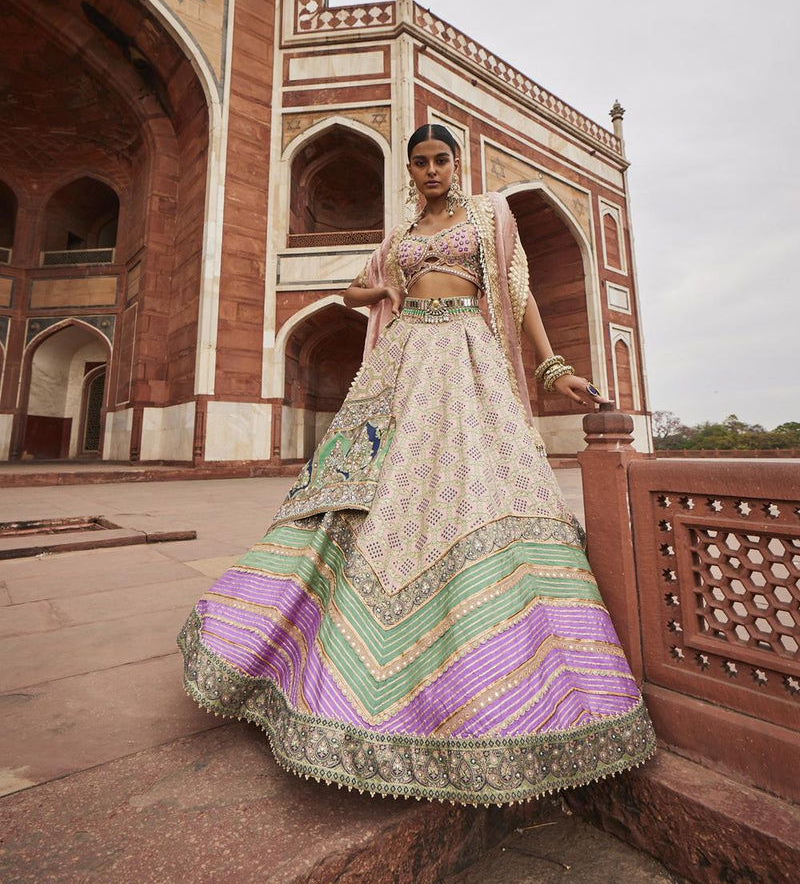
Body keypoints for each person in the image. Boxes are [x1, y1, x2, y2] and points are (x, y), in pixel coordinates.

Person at [178, 123, 656, 805]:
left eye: (441, 159)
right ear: (409, 172)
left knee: (472, 489)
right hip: (403, 361)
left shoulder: (490, 215)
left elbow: (517, 297)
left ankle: (496, 676)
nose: (432, 170)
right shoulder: (397, 242)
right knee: (370, 492)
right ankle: (322, 662)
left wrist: (554, 368)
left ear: (456, 163)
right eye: (421, 162)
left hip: (467, 356)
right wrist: (380, 295)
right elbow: (350, 292)